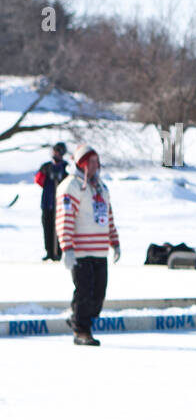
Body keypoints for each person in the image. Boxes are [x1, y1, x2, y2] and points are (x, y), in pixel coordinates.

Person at [56, 145, 120, 347]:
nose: (95, 166)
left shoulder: (100, 186)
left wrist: (115, 242)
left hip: (100, 250)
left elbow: (108, 216)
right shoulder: (71, 186)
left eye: (97, 162)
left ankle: (76, 318)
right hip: (81, 250)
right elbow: (64, 218)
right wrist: (67, 247)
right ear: (82, 163)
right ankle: (81, 330)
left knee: (98, 295)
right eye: (91, 162)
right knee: (84, 291)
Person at [35, 142, 69, 260]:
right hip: (47, 203)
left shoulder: (66, 167)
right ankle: (49, 251)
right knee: (47, 227)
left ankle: (58, 252)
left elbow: (70, 183)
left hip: (59, 204)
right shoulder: (47, 166)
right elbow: (39, 180)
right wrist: (44, 173)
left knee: (59, 227)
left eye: (57, 151)